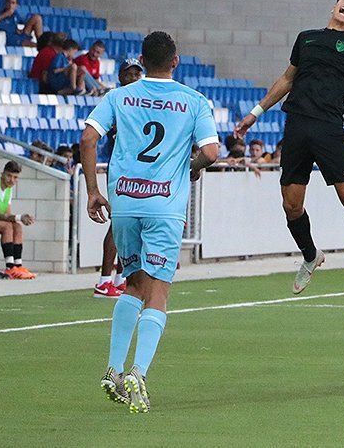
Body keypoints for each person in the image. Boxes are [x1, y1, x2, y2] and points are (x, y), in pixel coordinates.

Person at [82, 31, 220, 413]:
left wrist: (94, 190)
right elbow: (211, 150)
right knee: (158, 292)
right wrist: (189, 167)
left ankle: (112, 368)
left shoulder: (119, 96)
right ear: (175, 61)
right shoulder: (194, 101)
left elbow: (89, 138)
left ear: (142, 61)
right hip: (164, 206)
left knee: (133, 284)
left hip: (125, 203)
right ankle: (138, 372)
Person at [235, 0, 344, 306]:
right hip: (296, 127)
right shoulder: (306, 37)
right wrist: (255, 113)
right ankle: (311, 255)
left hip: (329, 130)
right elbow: (286, 79)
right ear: (335, 5)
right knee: (291, 205)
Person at [94, 58, 145, 299]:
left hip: (137, 169)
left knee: (130, 227)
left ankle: (120, 278)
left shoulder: (140, 103)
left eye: (138, 74)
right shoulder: (116, 100)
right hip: (120, 169)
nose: (134, 78)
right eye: (129, 74)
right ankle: (104, 280)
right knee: (117, 225)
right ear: (120, 77)